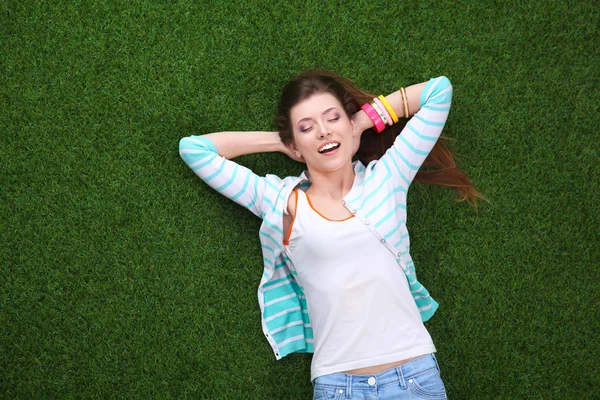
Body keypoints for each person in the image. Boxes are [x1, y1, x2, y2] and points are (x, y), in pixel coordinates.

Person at [179, 71, 482, 399]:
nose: (323, 131)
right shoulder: (283, 201)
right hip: (339, 388)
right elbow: (195, 150)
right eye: (307, 127)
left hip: (413, 378)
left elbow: (438, 92)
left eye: (333, 118)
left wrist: (362, 122)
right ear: (296, 144)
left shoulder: (388, 177)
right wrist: (282, 142)